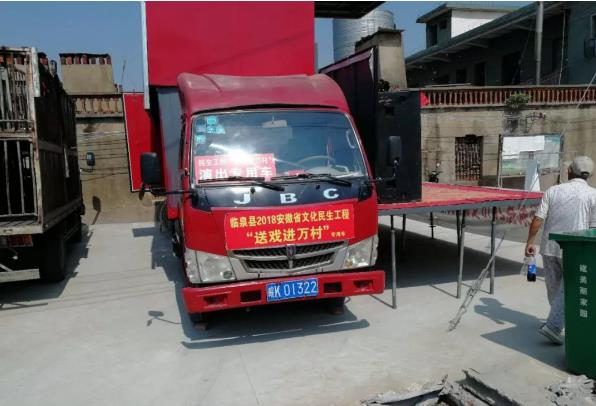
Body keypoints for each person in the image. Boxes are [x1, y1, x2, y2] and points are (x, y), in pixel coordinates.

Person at [525, 156, 596, 345]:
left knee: (555, 288)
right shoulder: (593, 195)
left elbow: (538, 219)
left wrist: (530, 242)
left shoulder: (553, 190)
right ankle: (555, 326)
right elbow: (593, 229)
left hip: (549, 248)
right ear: (590, 175)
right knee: (569, 288)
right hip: (574, 250)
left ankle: (555, 324)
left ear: (569, 171)